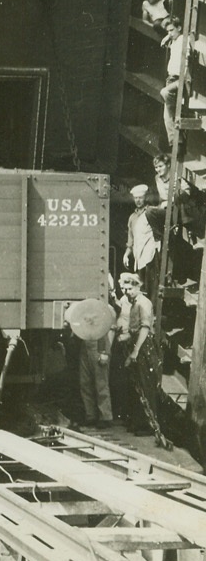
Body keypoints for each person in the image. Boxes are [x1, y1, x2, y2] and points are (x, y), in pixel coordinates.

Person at [120, 273, 169, 445]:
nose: (127, 292)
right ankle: (137, 421)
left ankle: (148, 426)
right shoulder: (133, 303)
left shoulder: (143, 304)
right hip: (136, 343)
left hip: (145, 346)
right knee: (136, 385)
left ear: (137, 287)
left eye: (130, 289)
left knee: (146, 385)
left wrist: (135, 352)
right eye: (125, 289)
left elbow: (145, 329)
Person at [124, 183, 162, 296]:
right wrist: (126, 254)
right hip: (138, 256)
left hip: (151, 255)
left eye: (140, 198)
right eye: (136, 198)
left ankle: (153, 311)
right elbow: (131, 239)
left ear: (145, 198)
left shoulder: (152, 212)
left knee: (152, 285)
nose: (138, 200)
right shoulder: (132, 217)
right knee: (139, 285)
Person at [160, 18, 192, 148]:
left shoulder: (184, 40)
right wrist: (167, 36)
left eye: (172, 30)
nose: (170, 33)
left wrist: (185, 79)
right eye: (167, 31)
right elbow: (170, 37)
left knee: (164, 92)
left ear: (179, 28)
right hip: (171, 79)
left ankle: (176, 140)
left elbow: (187, 57)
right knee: (166, 114)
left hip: (181, 79)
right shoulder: (173, 39)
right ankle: (175, 141)